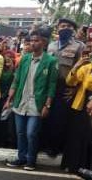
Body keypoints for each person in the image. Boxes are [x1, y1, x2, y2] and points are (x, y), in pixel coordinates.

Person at [4, 30, 58, 171]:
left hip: (37, 104)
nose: (33, 43)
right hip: (21, 102)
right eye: (31, 41)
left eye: (37, 40)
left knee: (31, 133)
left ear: (44, 43)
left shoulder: (50, 61)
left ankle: (31, 160)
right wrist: (10, 98)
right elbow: (16, 79)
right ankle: (21, 158)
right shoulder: (25, 58)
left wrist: (47, 105)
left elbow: (52, 85)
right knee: (20, 133)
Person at [43, 18, 85, 157]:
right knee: (46, 116)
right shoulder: (51, 45)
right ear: (57, 28)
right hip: (50, 85)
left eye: (68, 26)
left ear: (73, 30)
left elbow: (83, 69)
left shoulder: (79, 46)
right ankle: (46, 144)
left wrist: (75, 88)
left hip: (67, 87)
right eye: (62, 26)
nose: (65, 28)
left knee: (60, 119)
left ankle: (56, 148)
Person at [61, 45, 92, 172]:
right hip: (80, 103)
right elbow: (70, 82)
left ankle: (86, 167)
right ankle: (73, 166)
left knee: (89, 137)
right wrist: (77, 65)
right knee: (76, 135)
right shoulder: (86, 67)